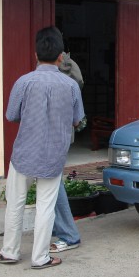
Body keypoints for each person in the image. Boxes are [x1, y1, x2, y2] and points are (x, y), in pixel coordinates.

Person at [0, 26, 84, 269]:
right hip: (54, 154)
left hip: (24, 152)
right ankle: (40, 257)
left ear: (35, 54)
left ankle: (10, 252)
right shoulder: (71, 86)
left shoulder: (23, 82)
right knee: (46, 206)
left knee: (15, 203)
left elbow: (11, 114)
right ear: (60, 56)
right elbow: (77, 120)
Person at [50, 51, 84, 254]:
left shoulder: (60, 69)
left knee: (54, 183)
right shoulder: (71, 68)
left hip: (55, 135)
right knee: (53, 183)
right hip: (63, 132)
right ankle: (59, 229)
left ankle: (68, 234)